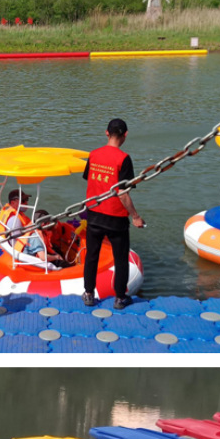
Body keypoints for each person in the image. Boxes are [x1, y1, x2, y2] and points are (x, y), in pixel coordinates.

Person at [82, 118, 145, 309]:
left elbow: (90, 179)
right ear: (125, 135)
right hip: (116, 217)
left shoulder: (93, 154)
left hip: (94, 213)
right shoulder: (124, 159)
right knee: (120, 258)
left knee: (92, 255)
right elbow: (123, 193)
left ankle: (89, 294)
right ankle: (119, 298)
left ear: (106, 133)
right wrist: (135, 216)